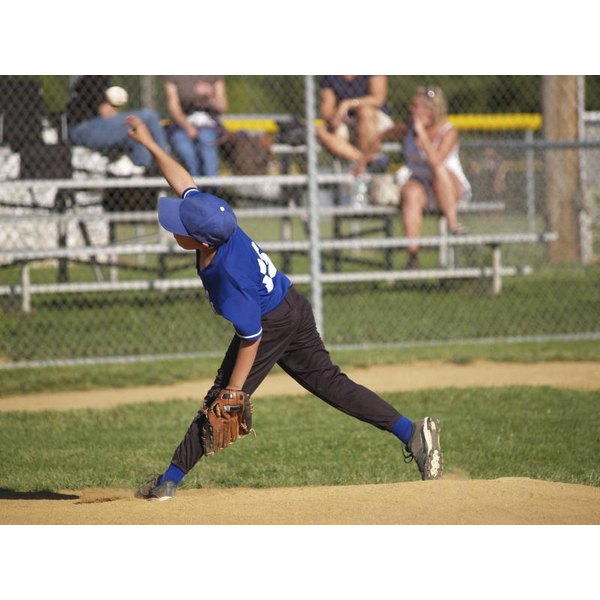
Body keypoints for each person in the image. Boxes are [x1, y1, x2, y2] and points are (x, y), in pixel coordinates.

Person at [124, 114, 443, 501]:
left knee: (222, 399)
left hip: (271, 321)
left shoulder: (228, 276)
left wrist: (235, 391)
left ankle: (168, 481)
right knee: (332, 385)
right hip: (290, 303)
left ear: (201, 242)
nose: (174, 227)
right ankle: (412, 433)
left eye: (180, 228)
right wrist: (151, 144)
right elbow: (183, 182)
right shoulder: (215, 220)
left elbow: (252, 335)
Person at [381, 85, 472, 269]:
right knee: (411, 193)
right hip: (421, 185)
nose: (412, 110)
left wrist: (421, 134)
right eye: (412, 106)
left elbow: (435, 161)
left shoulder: (448, 131)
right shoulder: (407, 128)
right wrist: (361, 160)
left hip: (448, 187)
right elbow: (379, 138)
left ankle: (452, 223)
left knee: (439, 170)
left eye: (417, 107)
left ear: (431, 111)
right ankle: (412, 256)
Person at [66, 75, 170, 173]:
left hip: (86, 128)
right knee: (149, 116)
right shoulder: (94, 77)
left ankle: (144, 171)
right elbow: (106, 113)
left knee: (136, 133)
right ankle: (166, 165)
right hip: (84, 130)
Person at [316, 75, 393, 174]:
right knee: (319, 129)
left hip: (376, 118)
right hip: (348, 121)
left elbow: (378, 99)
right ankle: (365, 162)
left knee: (364, 112)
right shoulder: (330, 76)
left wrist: (348, 104)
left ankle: (365, 167)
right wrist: (334, 118)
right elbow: (326, 110)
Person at [163, 75, 228, 177]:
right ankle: (194, 185)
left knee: (206, 138)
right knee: (184, 147)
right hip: (181, 123)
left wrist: (210, 95)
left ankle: (211, 185)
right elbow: (173, 108)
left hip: (208, 123)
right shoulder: (173, 76)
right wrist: (188, 127)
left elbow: (222, 107)